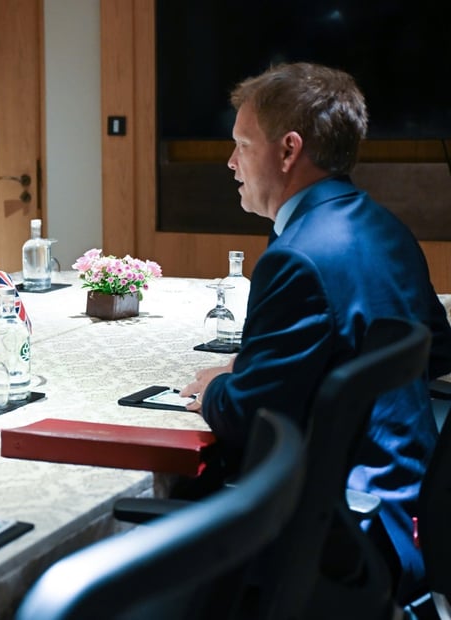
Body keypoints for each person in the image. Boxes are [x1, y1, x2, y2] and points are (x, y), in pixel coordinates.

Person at [179, 63, 451, 602]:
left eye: (241, 145)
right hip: (405, 510)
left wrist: (215, 389)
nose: (231, 163)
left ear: (288, 150)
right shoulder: (384, 227)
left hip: (336, 541)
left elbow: (253, 416)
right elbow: (435, 349)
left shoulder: (296, 257)